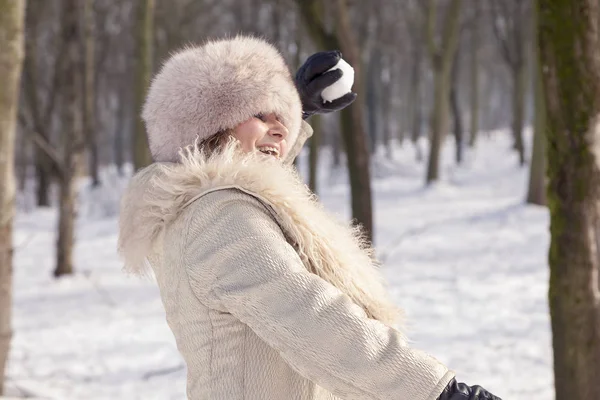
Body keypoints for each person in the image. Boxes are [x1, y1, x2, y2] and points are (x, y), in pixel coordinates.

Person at [118, 35, 501, 400]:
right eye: (258, 113)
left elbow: (251, 171)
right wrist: (440, 393)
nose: (280, 127)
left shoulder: (197, 207)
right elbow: (314, 321)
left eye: (280, 115)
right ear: (206, 126)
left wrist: (295, 107)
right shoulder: (219, 216)